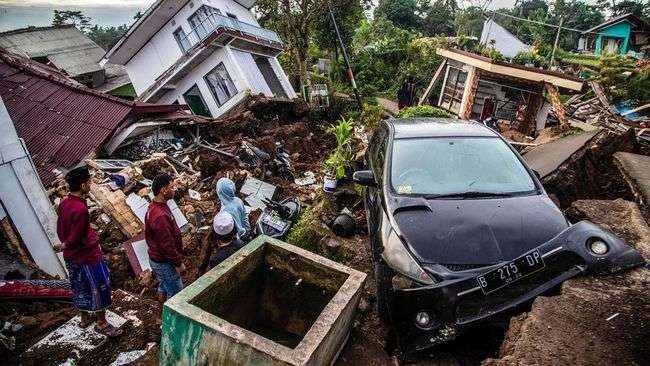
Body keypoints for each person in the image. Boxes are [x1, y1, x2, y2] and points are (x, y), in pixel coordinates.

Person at [54, 167, 122, 337]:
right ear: (83, 185)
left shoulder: (64, 203)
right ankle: (102, 323)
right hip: (87, 257)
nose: (91, 184)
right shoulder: (80, 209)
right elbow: (76, 238)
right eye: (90, 182)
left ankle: (84, 318)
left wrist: (64, 244)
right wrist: (69, 244)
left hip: (72, 258)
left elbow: (62, 230)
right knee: (99, 287)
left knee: (79, 287)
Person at [145, 173, 185, 304]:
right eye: (172, 187)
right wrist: (178, 264)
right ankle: (167, 322)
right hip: (164, 263)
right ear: (163, 190)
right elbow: (166, 245)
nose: (175, 189)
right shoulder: (160, 216)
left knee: (164, 285)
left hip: (159, 260)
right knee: (176, 295)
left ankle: (159, 314)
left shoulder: (156, 206)